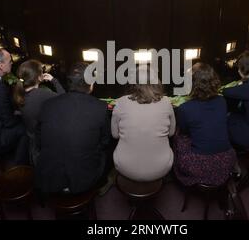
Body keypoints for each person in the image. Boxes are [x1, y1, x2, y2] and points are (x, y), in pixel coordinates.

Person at [35, 62, 111, 194]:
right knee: (109, 151)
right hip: (83, 179)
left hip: (50, 176)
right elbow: (105, 141)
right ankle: (102, 185)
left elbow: (38, 140)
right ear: (90, 83)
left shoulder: (48, 104)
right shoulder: (100, 107)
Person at [174, 62, 236, 187]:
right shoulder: (222, 101)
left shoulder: (185, 108)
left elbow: (185, 132)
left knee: (177, 137)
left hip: (199, 165)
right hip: (227, 160)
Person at [111, 66, 176, 181]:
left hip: (124, 166)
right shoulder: (166, 102)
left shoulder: (120, 102)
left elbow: (115, 135)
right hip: (162, 167)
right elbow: (171, 133)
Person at [13, 59, 65, 165]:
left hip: (32, 143)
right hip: (44, 142)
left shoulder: (18, 93)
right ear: (38, 77)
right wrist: (54, 80)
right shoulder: (42, 94)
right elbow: (64, 99)